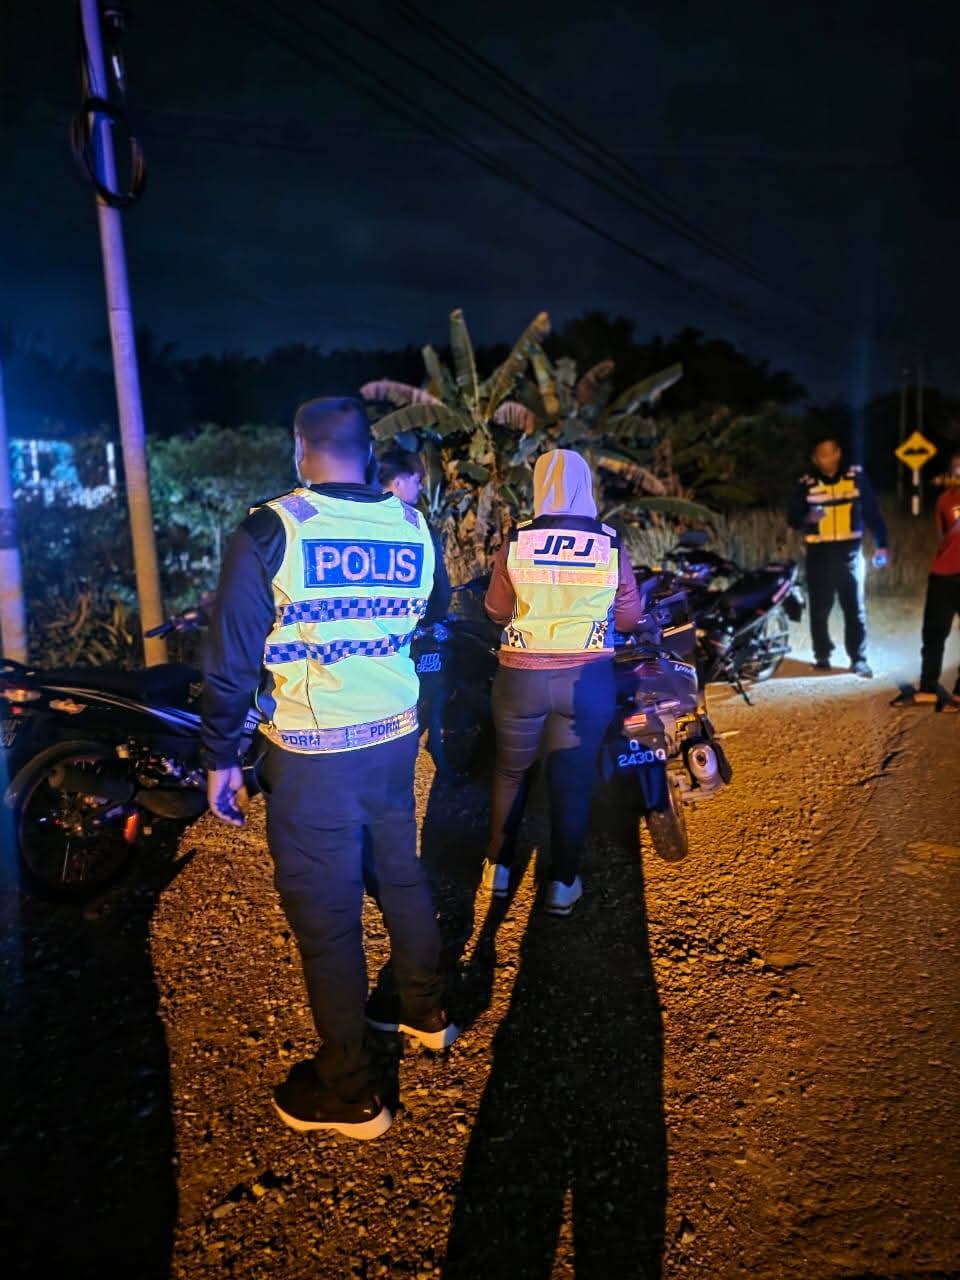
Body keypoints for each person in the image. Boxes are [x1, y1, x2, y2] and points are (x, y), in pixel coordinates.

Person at [201, 396, 457, 1143]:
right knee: (399, 871)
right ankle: (425, 1010)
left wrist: (220, 757)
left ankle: (349, 1091)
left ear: (299, 447)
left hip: (315, 755)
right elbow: (433, 615)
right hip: (395, 736)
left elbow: (230, 658)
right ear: (368, 452)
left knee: (329, 919)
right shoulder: (413, 526)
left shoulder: (274, 528)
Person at [480, 448, 647, 916]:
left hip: (521, 679)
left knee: (510, 773)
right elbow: (629, 618)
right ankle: (562, 883)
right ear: (584, 486)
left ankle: (497, 870)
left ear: (540, 487)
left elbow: (495, 610)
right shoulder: (609, 544)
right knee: (572, 782)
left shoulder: (518, 539)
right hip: (585, 682)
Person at [788, 434, 889, 677]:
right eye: (821, 455)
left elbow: (872, 513)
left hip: (850, 553)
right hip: (819, 554)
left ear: (838, 453)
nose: (827, 459)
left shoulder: (855, 478)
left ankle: (858, 659)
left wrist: (882, 544)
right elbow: (792, 517)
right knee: (819, 609)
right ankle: (822, 656)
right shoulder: (806, 483)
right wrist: (807, 518)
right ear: (815, 458)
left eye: (830, 453)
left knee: (854, 608)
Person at [914, 449, 960, 705]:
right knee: (933, 633)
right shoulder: (944, 500)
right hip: (944, 573)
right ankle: (928, 687)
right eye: (956, 467)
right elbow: (943, 536)